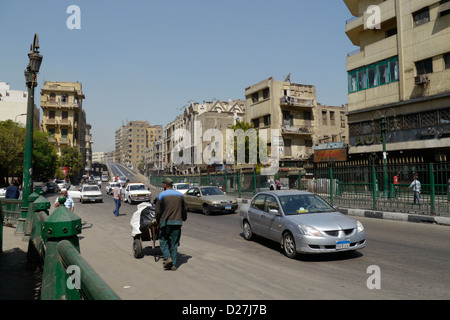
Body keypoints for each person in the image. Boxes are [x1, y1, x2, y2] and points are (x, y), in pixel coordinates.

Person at [155, 178, 187, 271]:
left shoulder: (161, 195)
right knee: (175, 243)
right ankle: (173, 265)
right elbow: (184, 209)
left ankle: (167, 257)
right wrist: (183, 218)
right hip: (177, 222)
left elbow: (157, 211)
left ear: (165, 185)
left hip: (166, 222)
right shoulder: (180, 195)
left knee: (163, 239)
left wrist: (158, 222)